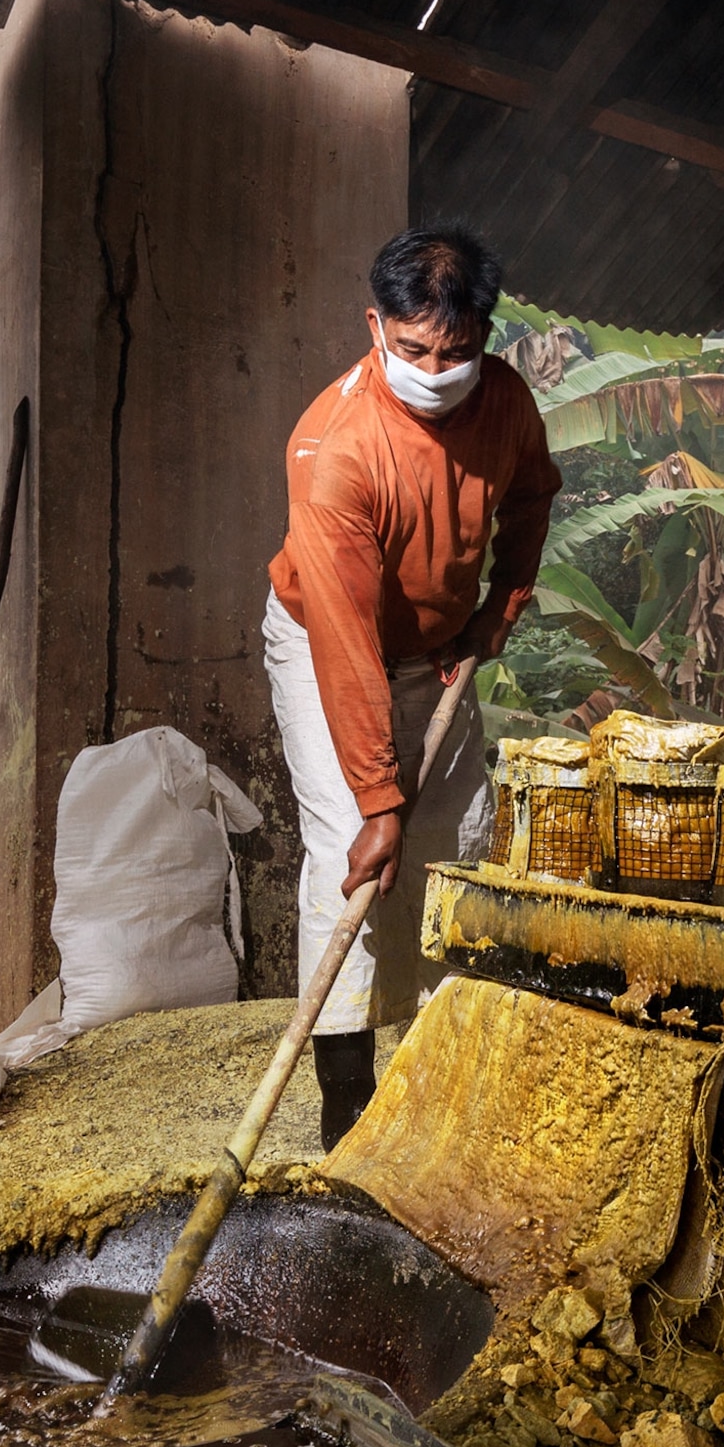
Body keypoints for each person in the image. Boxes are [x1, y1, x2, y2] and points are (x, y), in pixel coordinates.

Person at [266, 225, 557, 1145]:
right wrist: (378, 797)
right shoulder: (335, 450)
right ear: (376, 327)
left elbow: (534, 494)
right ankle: (345, 1104)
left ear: (484, 339)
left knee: (454, 842)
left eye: (458, 352)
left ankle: (436, 1065)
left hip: (438, 653)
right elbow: (347, 640)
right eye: (414, 350)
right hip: (327, 647)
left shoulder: (505, 402)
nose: (436, 370)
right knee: (350, 845)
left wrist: (499, 609)